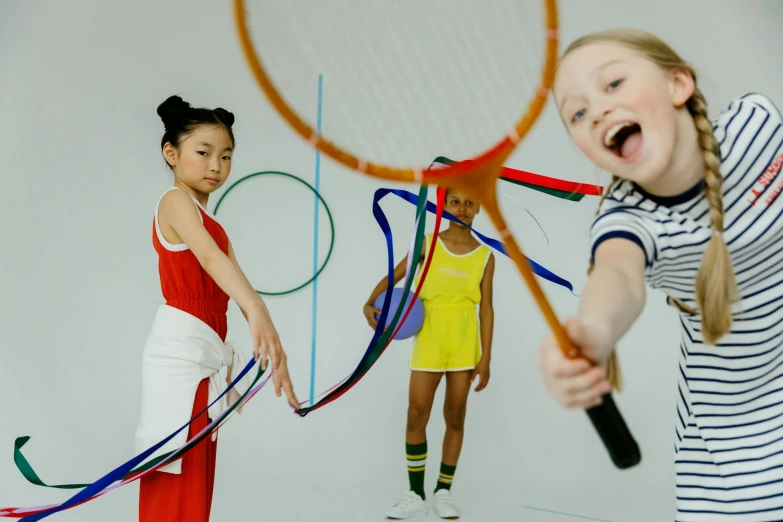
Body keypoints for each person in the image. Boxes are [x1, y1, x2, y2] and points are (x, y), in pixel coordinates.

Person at [537, 28, 783, 519]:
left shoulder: (759, 125)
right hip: (738, 447)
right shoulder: (626, 222)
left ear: (678, 86)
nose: (599, 111)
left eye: (613, 84)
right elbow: (618, 277)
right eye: (578, 114)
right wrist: (592, 332)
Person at [134, 95, 299, 521]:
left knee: (196, 475)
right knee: (175, 471)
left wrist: (273, 347)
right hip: (182, 356)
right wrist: (259, 311)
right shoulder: (174, 203)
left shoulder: (214, 224)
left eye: (225, 156)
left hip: (204, 356)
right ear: (171, 154)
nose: (216, 166)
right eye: (203, 153)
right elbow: (209, 259)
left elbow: (233, 280)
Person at [363, 187, 496, 519]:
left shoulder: (485, 255)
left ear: (479, 206)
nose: (462, 208)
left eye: (469, 201)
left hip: (465, 345)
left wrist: (486, 357)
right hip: (430, 339)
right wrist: (370, 301)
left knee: (455, 416)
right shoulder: (427, 242)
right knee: (415, 415)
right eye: (455, 201)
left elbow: (488, 309)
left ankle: (443, 491)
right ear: (444, 205)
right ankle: (415, 492)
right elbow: (397, 274)